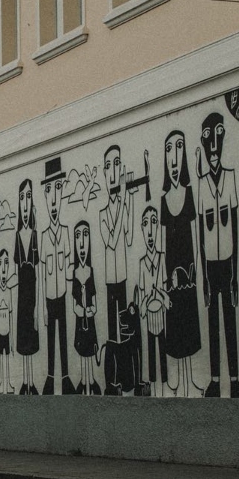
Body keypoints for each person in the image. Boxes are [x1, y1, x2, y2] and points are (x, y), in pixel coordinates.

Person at [197, 112, 239, 398]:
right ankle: (215, 379)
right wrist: (203, 275)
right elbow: (201, 236)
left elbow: (236, 225)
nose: (213, 146)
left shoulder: (230, 177)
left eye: (217, 135)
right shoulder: (203, 184)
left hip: (227, 262)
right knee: (213, 324)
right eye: (208, 138)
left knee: (230, 322)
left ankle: (236, 379)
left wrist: (237, 275)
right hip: (211, 265)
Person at [160, 130, 203, 397]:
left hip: (188, 271)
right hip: (172, 276)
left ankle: (191, 380)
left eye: (178, 148)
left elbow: (196, 236)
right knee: (175, 327)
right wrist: (166, 279)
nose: (173, 156)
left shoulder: (189, 193)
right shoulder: (164, 200)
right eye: (169, 150)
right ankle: (178, 382)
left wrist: (195, 271)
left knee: (188, 325)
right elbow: (164, 244)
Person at [40, 158, 76, 395]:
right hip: (50, 296)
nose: (53, 199)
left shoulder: (65, 233)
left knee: (63, 336)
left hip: (62, 293)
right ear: (44, 195)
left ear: (62, 192)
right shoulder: (44, 236)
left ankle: (65, 377)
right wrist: (43, 305)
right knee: (51, 338)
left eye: (57, 189)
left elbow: (71, 267)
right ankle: (50, 378)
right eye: (48, 191)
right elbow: (43, 272)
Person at [99, 145, 135, 343]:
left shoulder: (123, 206)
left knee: (126, 329)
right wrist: (122, 203)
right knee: (113, 333)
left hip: (122, 277)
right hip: (110, 281)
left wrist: (129, 198)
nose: (113, 171)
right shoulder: (102, 214)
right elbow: (111, 242)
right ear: (104, 173)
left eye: (117, 164)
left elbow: (128, 238)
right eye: (108, 166)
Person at [138, 206, 170, 397]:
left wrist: (161, 296)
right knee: (151, 355)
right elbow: (142, 300)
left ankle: (165, 389)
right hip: (149, 318)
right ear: (142, 229)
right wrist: (147, 301)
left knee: (162, 354)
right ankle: (154, 389)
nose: (150, 230)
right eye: (145, 224)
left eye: (154, 222)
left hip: (161, 317)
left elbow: (166, 294)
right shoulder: (142, 263)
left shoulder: (162, 258)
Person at [15, 179, 40, 395]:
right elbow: (16, 269)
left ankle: (32, 381)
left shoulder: (34, 234)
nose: (25, 202)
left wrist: (39, 308)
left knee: (31, 337)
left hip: (32, 292)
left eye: (28, 196)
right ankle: (24, 380)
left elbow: (38, 269)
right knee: (22, 337)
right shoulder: (17, 235)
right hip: (21, 294)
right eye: (22, 197)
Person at [71, 221, 100, 395]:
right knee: (82, 351)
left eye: (85, 234)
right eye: (77, 236)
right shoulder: (75, 274)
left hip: (89, 320)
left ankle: (91, 380)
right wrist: (80, 310)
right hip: (80, 321)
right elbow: (74, 303)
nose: (82, 242)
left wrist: (91, 310)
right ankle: (83, 380)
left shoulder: (91, 271)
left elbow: (95, 300)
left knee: (90, 350)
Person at [0, 248, 17, 394]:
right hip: (0, 331)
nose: (3, 267)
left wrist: (13, 340)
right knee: (1, 357)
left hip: (7, 330)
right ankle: (2, 382)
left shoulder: (8, 291)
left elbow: (11, 313)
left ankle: (8, 383)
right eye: (1, 263)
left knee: (7, 357)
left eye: (6, 262)